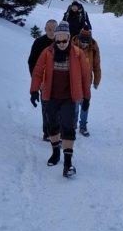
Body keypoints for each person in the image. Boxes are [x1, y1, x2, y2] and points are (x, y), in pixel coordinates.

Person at [30, 21, 91, 178]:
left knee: (68, 128)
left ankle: (67, 163)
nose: (62, 44)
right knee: (53, 126)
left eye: (65, 40)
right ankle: (55, 152)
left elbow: (85, 77)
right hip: (50, 96)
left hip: (69, 97)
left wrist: (86, 98)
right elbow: (38, 71)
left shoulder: (78, 54)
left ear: (69, 38)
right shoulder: (47, 52)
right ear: (55, 39)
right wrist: (34, 91)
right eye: (59, 41)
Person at [27, 19, 57, 141]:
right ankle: (47, 133)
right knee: (46, 107)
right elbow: (31, 62)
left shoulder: (62, 42)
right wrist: (36, 82)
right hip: (44, 81)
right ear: (45, 29)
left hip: (59, 80)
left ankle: (57, 132)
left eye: (54, 29)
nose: (52, 31)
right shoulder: (39, 42)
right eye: (49, 29)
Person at [71, 27, 101, 137]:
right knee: (75, 104)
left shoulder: (93, 47)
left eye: (86, 42)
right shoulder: (72, 45)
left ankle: (83, 126)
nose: (84, 44)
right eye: (82, 41)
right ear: (79, 38)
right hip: (74, 80)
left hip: (87, 81)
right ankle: (73, 125)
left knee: (85, 104)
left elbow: (96, 65)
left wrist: (97, 81)